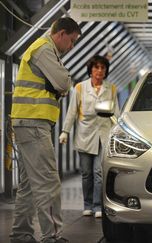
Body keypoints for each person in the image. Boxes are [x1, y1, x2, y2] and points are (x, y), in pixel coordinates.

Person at [9, 17, 80, 243]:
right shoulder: (44, 49)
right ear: (60, 34)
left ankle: (21, 235)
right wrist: (61, 85)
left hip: (26, 122)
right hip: (34, 123)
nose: (71, 47)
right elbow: (63, 83)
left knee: (29, 185)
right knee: (48, 182)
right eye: (71, 41)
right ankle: (52, 236)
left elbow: (59, 84)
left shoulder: (41, 49)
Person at [59, 55, 120, 218]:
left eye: (102, 68)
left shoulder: (111, 89)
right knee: (86, 173)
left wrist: (117, 134)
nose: (99, 71)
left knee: (99, 172)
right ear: (91, 70)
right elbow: (72, 112)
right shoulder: (80, 88)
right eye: (96, 67)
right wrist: (65, 131)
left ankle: (97, 205)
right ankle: (86, 204)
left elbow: (116, 114)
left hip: (103, 136)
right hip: (85, 136)